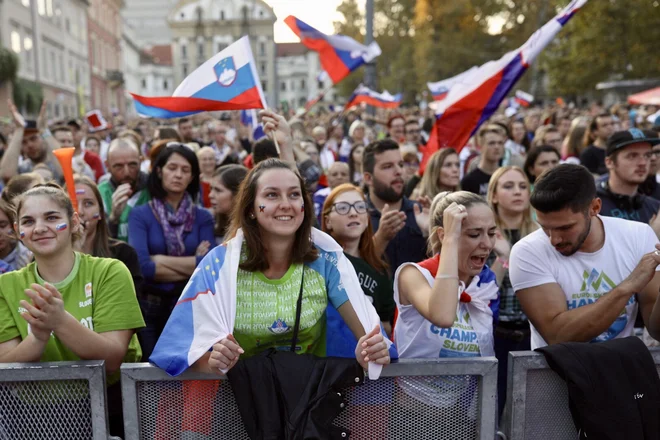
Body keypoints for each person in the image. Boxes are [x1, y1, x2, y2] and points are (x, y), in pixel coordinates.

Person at [150, 158, 390, 378]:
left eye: (294, 195)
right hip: (236, 407)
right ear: (252, 208)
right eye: (272, 195)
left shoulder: (327, 260)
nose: (286, 204)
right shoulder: (220, 264)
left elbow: (369, 338)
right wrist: (212, 362)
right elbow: (178, 353)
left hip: (306, 406)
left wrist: (370, 352)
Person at [0, 184, 144, 437]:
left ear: (74, 222)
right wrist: (38, 338)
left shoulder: (110, 271)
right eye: (28, 221)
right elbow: (5, 367)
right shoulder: (5, 285)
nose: (40, 228)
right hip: (31, 417)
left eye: (52, 217)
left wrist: (59, 321)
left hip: (109, 410)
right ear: (18, 231)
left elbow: (112, 359)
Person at [509, 164, 660, 350]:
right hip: (556, 376)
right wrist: (628, 286)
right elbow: (558, 335)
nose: (554, 239)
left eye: (565, 228)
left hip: (620, 372)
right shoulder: (527, 251)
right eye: (544, 227)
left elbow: (656, 330)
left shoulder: (638, 236)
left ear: (594, 207)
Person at [128, 143, 215, 359]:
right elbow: (145, 268)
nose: (178, 175)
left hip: (190, 306)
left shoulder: (203, 217)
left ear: (193, 176)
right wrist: (193, 260)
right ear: (159, 171)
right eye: (172, 168)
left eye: (185, 170)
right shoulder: (141, 215)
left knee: (185, 372)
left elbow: (209, 268)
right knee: (151, 375)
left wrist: (160, 260)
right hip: (150, 308)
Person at [486, 166, 538, 417]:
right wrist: (503, 257)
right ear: (494, 195)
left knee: (529, 413)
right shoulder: (482, 233)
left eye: (522, 186)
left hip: (533, 333)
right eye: (508, 186)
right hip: (496, 335)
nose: (517, 191)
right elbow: (485, 293)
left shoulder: (542, 233)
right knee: (491, 409)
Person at [322, 184, 395, 336]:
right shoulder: (320, 261)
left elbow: (387, 326)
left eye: (360, 207)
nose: (353, 213)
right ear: (327, 221)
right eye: (343, 208)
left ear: (367, 218)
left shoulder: (380, 270)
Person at [363, 139, 429, 272]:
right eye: (387, 166)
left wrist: (433, 234)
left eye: (400, 164)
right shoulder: (357, 217)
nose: (398, 171)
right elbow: (353, 273)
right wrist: (381, 238)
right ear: (368, 178)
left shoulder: (421, 213)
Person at [73, 175, 144, 300]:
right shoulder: (47, 258)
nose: (80, 211)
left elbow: (131, 307)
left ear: (100, 213)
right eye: (72, 203)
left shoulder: (124, 254)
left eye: (88, 203)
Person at [597, 129, 660, 226]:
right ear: (609, 162)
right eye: (632, 156)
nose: (643, 163)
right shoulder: (591, 207)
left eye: (647, 155)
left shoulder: (655, 209)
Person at [98, 138, 150, 242]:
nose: (126, 172)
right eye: (118, 166)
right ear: (107, 166)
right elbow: (98, 244)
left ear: (140, 161)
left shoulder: (154, 189)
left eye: (132, 165)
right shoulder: (99, 194)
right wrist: (113, 219)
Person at [0, 100, 63, 184]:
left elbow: (66, 171)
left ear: (44, 138)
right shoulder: (22, 169)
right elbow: (6, 175)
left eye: (34, 138)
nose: (29, 145)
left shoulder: (56, 165)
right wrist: (19, 130)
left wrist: (44, 130)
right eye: (24, 142)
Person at [461, 124, 506, 197]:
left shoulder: (507, 176)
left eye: (500, 143)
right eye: (491, 143)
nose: (497, 147)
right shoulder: (469, 181)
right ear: (480, 146)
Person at [209, 164, 249, 244]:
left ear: (238, 195)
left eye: (218, 190)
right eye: (211, 189)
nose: (210, 195)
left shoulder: (249, 233)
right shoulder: (211, 221)